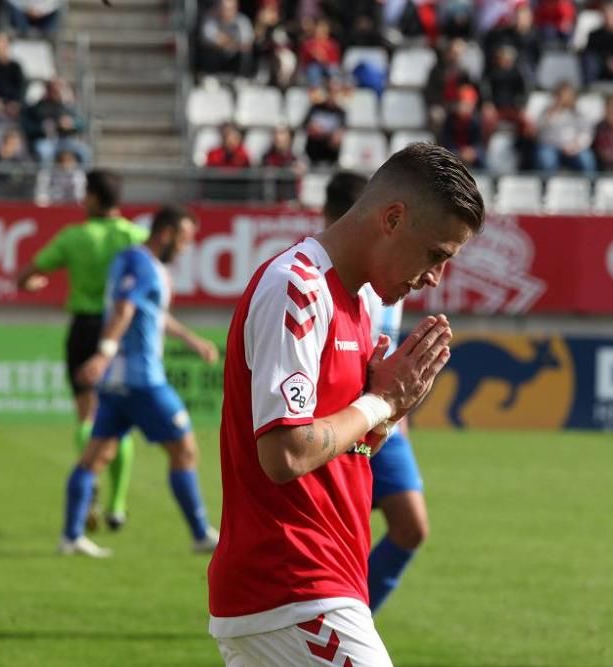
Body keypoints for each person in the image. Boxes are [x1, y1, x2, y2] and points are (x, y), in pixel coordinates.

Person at [208, 143, 484, 666]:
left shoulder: (358, 301)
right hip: (293, 586)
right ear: (394, 218)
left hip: (312, 587)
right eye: (436, 255)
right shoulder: (299, 287)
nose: (434, 278)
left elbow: (332, 458)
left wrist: (386, 414)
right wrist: (380, 403)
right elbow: (284, 454)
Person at [58, 205, 221, 557]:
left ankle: (71, 537)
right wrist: (102, 353)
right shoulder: (143, 264)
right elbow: (124, 310)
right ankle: (199, 534)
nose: (185, 248)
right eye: (184, 240)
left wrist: (192, 341)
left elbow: (152, 314)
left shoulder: (132, 261)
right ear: (165, 233)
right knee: (185, 449)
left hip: (115, 385)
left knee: (94, 457)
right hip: (141, 380)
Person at [319, 171, 429, 615]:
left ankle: (355, 617)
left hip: (385, 422)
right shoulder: (323, 278)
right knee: (334, 536)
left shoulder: (394, 277)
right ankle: (331, 620)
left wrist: (400, 415)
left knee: (411, 527)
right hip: (338, 420)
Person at [16, 171, 146, 532]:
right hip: (120, 330)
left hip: (84, 328)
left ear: (91, 198)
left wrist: (35, 282)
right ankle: (117, 506)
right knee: (121, 421)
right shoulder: (133, 236)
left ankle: (88, 482)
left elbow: (25, 276)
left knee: (87, 416)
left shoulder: (73, 237)